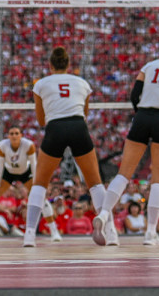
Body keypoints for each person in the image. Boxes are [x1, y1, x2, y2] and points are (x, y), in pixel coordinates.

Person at [93, 37, 159, 247]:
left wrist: (140, 115)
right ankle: (150, 233)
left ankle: (103, 214)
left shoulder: (149, 66)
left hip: (143, 116)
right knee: (158, 179)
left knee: (124, 173)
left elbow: (134, 94)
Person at [24, 47, 106, 248]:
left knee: (40, 184)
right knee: (95, 182)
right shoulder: (82, 83)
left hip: (56, 128)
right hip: (78, 126)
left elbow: (41, 120)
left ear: (50, 65)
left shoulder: (41, 84)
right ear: (69, 65)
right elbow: (84, 113)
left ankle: (29, 236)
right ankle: (110, 231)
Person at [0, 126, 62, 243]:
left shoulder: (28, 145)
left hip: (26, 172)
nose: (14, 136)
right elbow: (0, 166)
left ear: (21, 135)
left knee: (41, 196)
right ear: (8, 136)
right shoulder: (2, 146)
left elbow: (34, 164)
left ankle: (54, 231)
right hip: (8, 172)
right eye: (12, 133)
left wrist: (37, 183)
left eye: (16, 133)